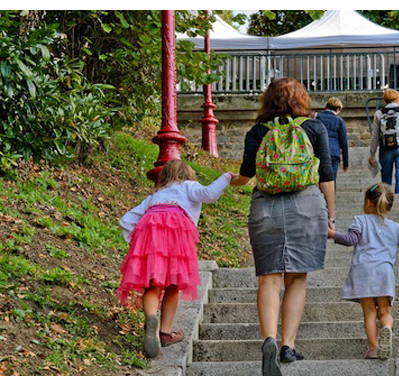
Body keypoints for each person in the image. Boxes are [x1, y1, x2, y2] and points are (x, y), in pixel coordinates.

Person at [230, 77, 336, 376]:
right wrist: (330, 215)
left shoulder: (257, 131)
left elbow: (247, 173)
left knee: (269, 279)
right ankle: (288, 344)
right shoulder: (315, 127)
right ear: (302, 99)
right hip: (306, 205)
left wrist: (226, 181)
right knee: (296, 279)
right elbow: (326, 175)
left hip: (266, 206)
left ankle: (268, 340)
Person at [117, 160, 235, 358]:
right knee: (173, 285)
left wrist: (137, 244)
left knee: (152, 286)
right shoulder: (189, 187)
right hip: (177, 237)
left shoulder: (154, 197)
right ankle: (165, 332)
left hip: (150, 236)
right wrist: (227, 177)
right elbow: (210, 194)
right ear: (188, 175)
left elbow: (126, 221)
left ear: (163, 178)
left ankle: (151, 319)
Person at [328, 183, 399, 360]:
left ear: (368, 202)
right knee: (385, 311)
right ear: (389, 207)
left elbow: (349, 239)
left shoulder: (360, 220)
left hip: (363, 271)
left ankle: (375, 347)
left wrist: (331, 233)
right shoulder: (395, 227)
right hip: (384, 272)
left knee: (369, 312)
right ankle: (386, 329)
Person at [315, 97, 349, 184]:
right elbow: (344, 143)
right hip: (333, 152)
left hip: (319, 151)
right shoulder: (339, 121)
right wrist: (346, 162)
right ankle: (331, 196)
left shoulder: (317, 117)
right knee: (331, 179)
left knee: (318, 178)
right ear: (337, 109)